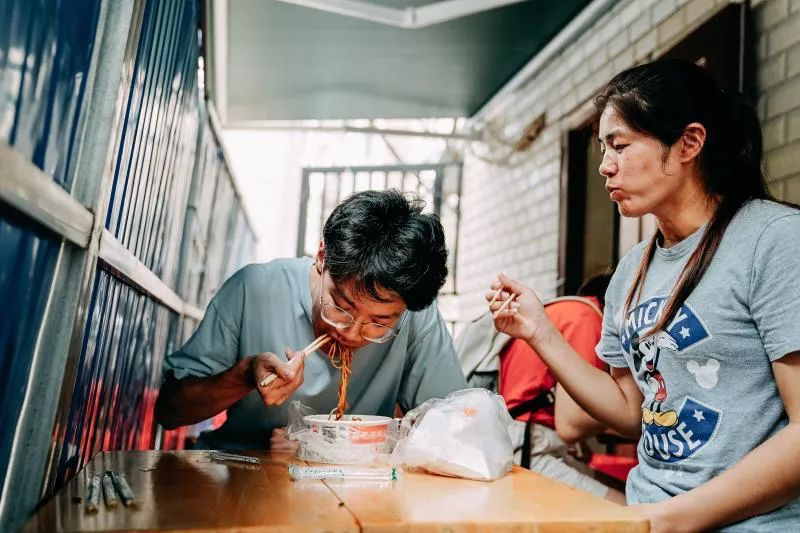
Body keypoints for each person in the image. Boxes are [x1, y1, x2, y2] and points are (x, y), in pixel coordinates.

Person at [487, 59, 800, 532]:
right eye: (602, 149)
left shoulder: (774, 240)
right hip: (648, 516)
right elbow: (633, 410)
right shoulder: (632, 270)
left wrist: (671, 519)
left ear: (689, 143)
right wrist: (540, 332)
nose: (604, 166)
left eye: (620, 145)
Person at [156, 190, 467, 450]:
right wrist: (244, 377)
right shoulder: (255, 289)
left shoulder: (415, 313)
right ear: (322, 258)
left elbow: (457, 428)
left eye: (380, 323)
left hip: (356, 487)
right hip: (238, 470)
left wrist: (330, 445)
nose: (353, 334)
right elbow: (170, 411)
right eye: (341, 307)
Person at [496, 273, 627, 503]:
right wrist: (633, 415)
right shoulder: (586, 316)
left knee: (629, 494)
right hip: (528, 450)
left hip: (517, 441)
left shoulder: (563, 311)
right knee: (631, 513)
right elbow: (570, 425)